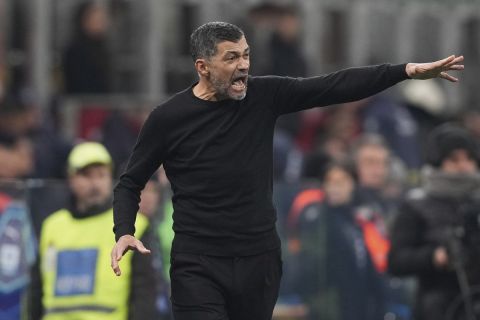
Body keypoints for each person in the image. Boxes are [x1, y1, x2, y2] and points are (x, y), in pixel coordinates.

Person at [110, 21, 464, 320]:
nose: (243, 65)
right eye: (231, 58)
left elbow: (333, 85)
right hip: (198, 262)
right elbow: (130, 182)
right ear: (203, 66)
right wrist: (124, 230)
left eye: (246, 54)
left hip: (259, 259)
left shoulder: (264, 95)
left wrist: (403, 72)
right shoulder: (168, 118)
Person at [29, 142, 163, 320]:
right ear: (71, 178)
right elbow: (36, 291)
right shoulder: (52, 226)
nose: (95, 183)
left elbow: (144, 294)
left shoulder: (133, 226)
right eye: (86, 175)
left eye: (101, 175)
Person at [388, 123, 480, 320]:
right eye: (454, 159)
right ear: (438, 162)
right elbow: (396, 261)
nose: (463, 166)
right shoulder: (416, 205)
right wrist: (435, 256)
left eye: (469, 158)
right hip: (437, 306)